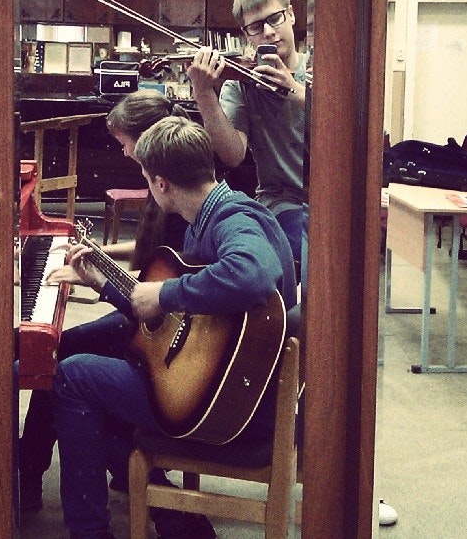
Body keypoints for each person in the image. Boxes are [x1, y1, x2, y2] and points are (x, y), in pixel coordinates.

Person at [50, 117, 297, 539]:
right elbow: (182, 322)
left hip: (235, 407)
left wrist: (166, 294)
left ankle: (91, 532)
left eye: (147, 179)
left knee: (73, 376)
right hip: (225, 388)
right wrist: (105, 286)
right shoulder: (210, 215)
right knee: (103, 392)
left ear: (161, 184)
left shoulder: (233, 219)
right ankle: (177, 521)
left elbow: (253, 274)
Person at [18, 90, 217, 537]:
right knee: (60, 353)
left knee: (61, 359)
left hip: (159, 328)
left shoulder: (178, 200)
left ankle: (29, 471)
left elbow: (153, 295)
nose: (123, 152)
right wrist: (100, 254)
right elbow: (149, 255)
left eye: (125, 143)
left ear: (148, 142)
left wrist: (100, 279)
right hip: (150, 310)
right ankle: (36, 468)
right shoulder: (166, 186)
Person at [187, 0, 309, 281]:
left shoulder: (319, 69)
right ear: (246, 35)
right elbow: (232, 155)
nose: (268, 31)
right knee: (304, 257)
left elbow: (344, 129)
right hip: (282, 200)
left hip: (329, 199)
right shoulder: (241, 83)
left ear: (291, 15)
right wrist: (204, 93)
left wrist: (294, 90)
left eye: (275, 19)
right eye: (255, 27)